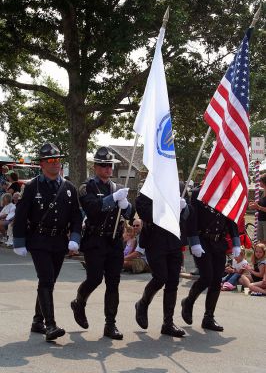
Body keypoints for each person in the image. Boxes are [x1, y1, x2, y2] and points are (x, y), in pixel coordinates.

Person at [13, 142, 82, 342]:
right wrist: (19, 241)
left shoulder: (69, 187)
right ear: (42, 164)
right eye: (50, 161)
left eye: (57, 160)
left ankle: (37, 320)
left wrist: (75, 238)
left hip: (59, 240)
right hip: (39, 239)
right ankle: (50, 325)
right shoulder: (32, 186)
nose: (55, 164)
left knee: (49, 281)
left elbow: (77, 216)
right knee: (46, 279)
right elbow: (21, 215)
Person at [71, 146, 133, 340]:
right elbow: (92, 209)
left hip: (114, 240)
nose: (108, 169)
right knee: (95, 278)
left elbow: (130, 214)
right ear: (95, 166)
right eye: (104, 165)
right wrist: (113, 199)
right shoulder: (86, 187)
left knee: (113, 282)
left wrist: (126, 205)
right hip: (95, 240)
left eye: (110, 166)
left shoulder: (116, 188)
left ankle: (110, 324)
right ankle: (79, 301)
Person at [181, 185, 241, 331]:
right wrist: (194, 242)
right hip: (202, 240)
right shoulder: (198, 193)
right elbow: (192, 219)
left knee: (216, 279)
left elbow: (231, 217)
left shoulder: (226, 193)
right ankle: (188, 302)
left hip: (218, 241)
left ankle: (209, 317)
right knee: (207, 276)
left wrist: (235, 241)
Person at [135, 192, 189, 337]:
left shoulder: (178, 187)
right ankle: (143, 304)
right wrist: (168, 207)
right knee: (160, 277)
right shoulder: (148, 189)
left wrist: (184, 208)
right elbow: (144, 212)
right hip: (155, 240)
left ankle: (168, 323)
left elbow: (188, 214)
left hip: (174, 239)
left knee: (173, 281)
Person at [249, 173, 266, 243]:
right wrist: (254, 205)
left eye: (260, 181)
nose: (258, 182)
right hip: (261, 220)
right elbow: (260, 205)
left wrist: (258, 207)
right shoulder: (263, 192)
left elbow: (261, 207)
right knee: (261, 243)